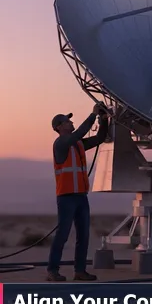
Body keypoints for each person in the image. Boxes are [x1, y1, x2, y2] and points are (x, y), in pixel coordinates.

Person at [47, 103, 109, 282]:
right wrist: (92, 115)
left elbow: (99, 138)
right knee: (63, 234)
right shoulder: (61, 143)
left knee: (84, 235)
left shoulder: (78, 144)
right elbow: (79, 133)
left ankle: (80, 271)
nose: (70, 122)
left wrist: (103, 119)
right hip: (66, 197)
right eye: (66, 121)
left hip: (81, 196)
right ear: (59, 128)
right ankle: (52, 271)